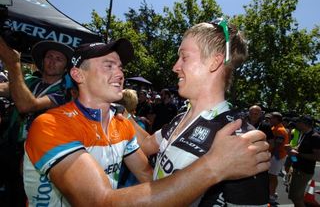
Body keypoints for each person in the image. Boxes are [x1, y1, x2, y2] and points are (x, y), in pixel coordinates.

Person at [23, 38, 270, 206]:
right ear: (78, 74)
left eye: (120, 66)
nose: (120, 73)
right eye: (108, 65)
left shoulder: (119, 123)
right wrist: (212, 167)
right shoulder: (50, 124)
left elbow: (147, 176)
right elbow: (96, 202)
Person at [128, 20, 270, 206]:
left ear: (214, 62)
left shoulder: (240, 138)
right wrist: (121, 114)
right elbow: (146, 145)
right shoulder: (181, 116)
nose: (175, 67)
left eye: (184, 57)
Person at [0, 38, 73, 206]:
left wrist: (12, 63)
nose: (52, 61)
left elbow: (28, 105)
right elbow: (6, 88)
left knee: (18, 199)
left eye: (58, 59)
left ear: (65, 66)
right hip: (8, 147)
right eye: (49, 56)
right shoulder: (31, 81)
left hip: (32, 158)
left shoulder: (64, 94)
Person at [288, 115, 320, 207]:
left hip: (304, 171)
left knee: (296, 197)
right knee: (296, 196)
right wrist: (292, 150)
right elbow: (301, 150)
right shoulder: (304, 134)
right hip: (297, 168)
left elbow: (317, 157)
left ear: (304, 124)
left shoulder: (315, 137)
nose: (296, 124)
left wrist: (298, 154)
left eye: (299, 122)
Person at [268, 111, 289, 204]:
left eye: (272, 118)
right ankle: (271, 192)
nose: (270, 119)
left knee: (273, 176)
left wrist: (269, 155)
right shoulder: (274, 127)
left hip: (277, 156)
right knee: (271, 175)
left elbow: (276, 145)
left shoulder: (280, 130)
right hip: (274, 155)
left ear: (276, 119)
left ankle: (272, 195)